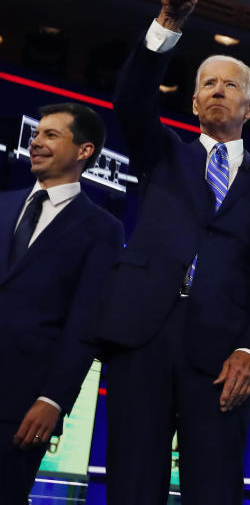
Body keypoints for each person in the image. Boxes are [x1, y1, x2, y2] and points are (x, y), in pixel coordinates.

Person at [92, 0, 250, 504]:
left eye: (229, 84)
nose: (216, 90)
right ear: (193, 101)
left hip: (223, 353)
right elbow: (131, 99)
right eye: (206, 83)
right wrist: (169, 24)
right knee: (133, 482)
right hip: (142, 337)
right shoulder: (162, 154)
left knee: (216, 488)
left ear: (249, 107)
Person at [0, 103, 123, 504]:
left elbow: (85, 321)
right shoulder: (2, 205)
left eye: (51, 135)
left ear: (84, 151)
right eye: (36, 135)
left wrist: (53, 399)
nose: (36, 142)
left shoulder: (102, 229)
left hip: (21, 402)